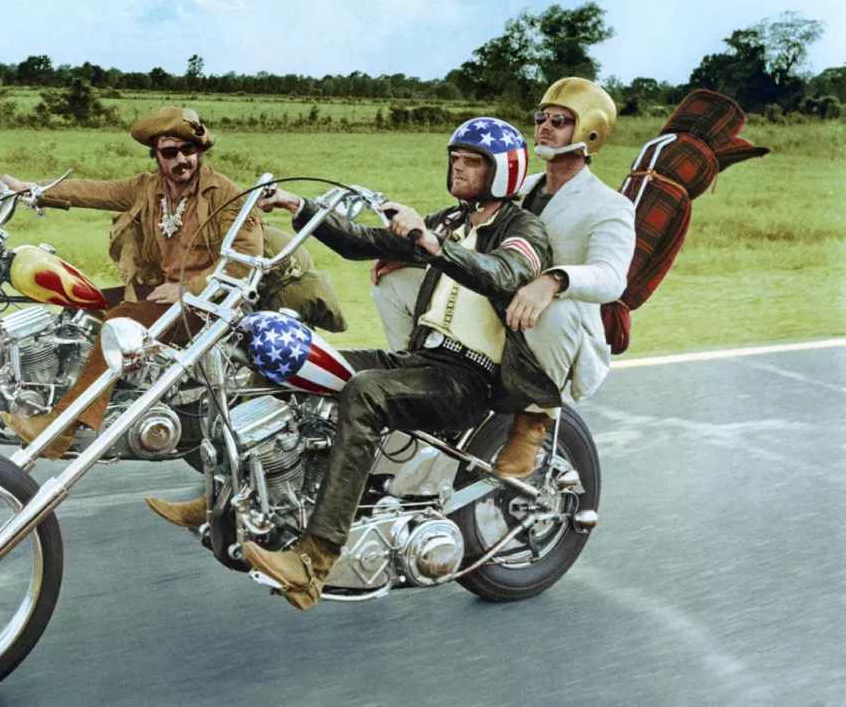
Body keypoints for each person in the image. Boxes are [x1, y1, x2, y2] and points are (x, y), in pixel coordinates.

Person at [147, 118, 557, 610]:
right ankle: (227, 500)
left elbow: (506, 274)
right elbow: (360, 241)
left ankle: (314, 560)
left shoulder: (521, 229)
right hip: (422, 358)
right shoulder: (452, 222)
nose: (459, 167)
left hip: (470, 380)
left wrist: (429, 243)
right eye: (456, 158)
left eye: (472, 162)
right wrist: (303, 207)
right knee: (286, 361)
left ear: (504, 172)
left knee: (365, 392)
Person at [0, 105, 263, 457]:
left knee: (120, 321)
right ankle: (24, 397)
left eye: (190, 150)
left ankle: (62, 428)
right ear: (157, 156)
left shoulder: (226, 196)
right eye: (171, 152)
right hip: (165, 293)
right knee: (76, 304)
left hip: (212, 305)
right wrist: (31, 189)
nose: (182, 159)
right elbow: (91, 191)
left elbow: (247, 259)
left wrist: (190, 289)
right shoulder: (146, 189)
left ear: (199, 152)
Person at [494, 77, 635, 477]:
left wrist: (554, 281)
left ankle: (533, 422)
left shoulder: (610, 205)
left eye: (560, 120)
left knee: (554, 311)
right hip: (498, 311)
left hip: (560, 328)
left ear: (590, 131)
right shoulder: (516, 190)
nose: (544, 126)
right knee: (398, 282)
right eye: (541, 117)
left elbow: (611, 277)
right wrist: (413, 251)